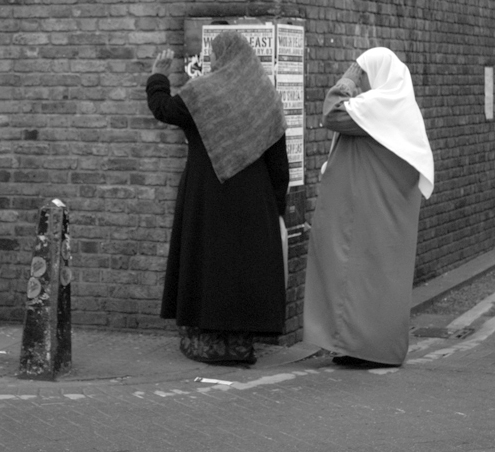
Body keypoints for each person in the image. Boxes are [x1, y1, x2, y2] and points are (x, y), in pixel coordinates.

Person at [146, 30, 289, 366]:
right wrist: (276, 208)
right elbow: (278, 161)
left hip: (207, 194)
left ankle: (208, 339)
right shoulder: (264, 95)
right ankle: (241, 344)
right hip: (255, 198)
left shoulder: (202, 92)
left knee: (209, 264)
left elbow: (164, 109)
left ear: (220, 57)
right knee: (244, 268)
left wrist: (158, 77)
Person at [303, 46, 434, 368]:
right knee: (380, 280)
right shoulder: (401, 109)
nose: (361, 82)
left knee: (358, 277)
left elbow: (332, 113)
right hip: (388, 216)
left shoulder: (378, 108)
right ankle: (364, 347)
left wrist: (347, 78)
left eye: (364, 74)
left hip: (366, 212)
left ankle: (367, 349)